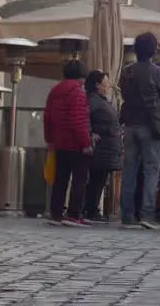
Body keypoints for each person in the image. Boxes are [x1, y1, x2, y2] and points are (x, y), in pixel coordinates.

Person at [118, 32, 160, 228]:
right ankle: (147, 213)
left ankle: (127, 214)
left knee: (129, 171)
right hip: (151, 125)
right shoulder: (157, 72)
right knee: (151, 170)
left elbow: (123, 92)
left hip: (130, 124)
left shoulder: (126, 71)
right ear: (153, 50)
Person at [43, 59, 93, 227]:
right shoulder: (78, 92)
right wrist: (86, 143)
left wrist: (49, 139)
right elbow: (78, 120)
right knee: (80, 180)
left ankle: (56, 213)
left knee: (60, 179)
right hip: (75, 144)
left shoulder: (54, 91)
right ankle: (73, 214)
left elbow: (47, 117)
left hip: (59, 143)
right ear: (82, 76)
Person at [84, 70, 123, 223]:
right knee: (96, 180)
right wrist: (90, 133)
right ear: (97, 85)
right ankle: (91, 210)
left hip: (106, 147)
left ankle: (92, 209)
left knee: (99, 180)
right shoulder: (93, 100)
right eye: (106, 83)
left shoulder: (101, 100)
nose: (108, 86)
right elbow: (85, 115)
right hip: (100, 148)